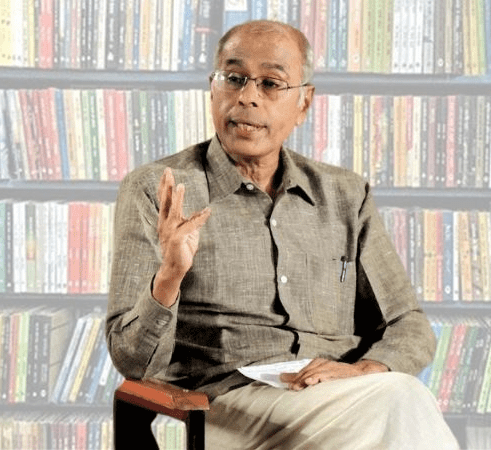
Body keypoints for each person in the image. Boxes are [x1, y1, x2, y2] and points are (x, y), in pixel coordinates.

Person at [106, 19, 459, 449]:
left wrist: (363, 372)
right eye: (234, 78)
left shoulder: (345, 195)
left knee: (395, 401)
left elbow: (409, 324)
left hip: (342, 399)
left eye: (271, 84)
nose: (247, 97)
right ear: (212, 89)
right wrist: (170, 276)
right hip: (230, 409)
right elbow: (132, 361)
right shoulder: (158, 189)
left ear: (304, 103)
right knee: (401, 403)